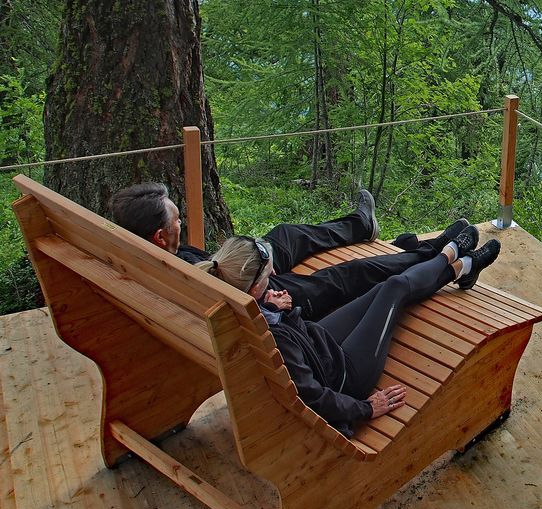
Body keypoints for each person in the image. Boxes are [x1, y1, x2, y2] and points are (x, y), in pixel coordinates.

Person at [198, 228, 502, 436]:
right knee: (395, 289)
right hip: (345, 376)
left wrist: (283, 312)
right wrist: (367, 408)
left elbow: (291, 343)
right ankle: (458, 263)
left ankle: (453, 260)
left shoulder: (240, 305)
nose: (275, 276)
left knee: (382, 287)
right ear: (253, 287)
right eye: (268, 275)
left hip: (319, 346)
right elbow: (313, 397)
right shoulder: (269, 336)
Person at [108, 182, 467, 320]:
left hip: (238, 280)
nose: (181, 222)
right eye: (176, 220)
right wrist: (263, 296)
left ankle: (362, 225)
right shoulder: (174, 272)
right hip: (255, 301)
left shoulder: (145, 257)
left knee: (284, 235)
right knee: (346, 276)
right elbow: (227, 311)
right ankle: (429, 253)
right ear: (158, 236)